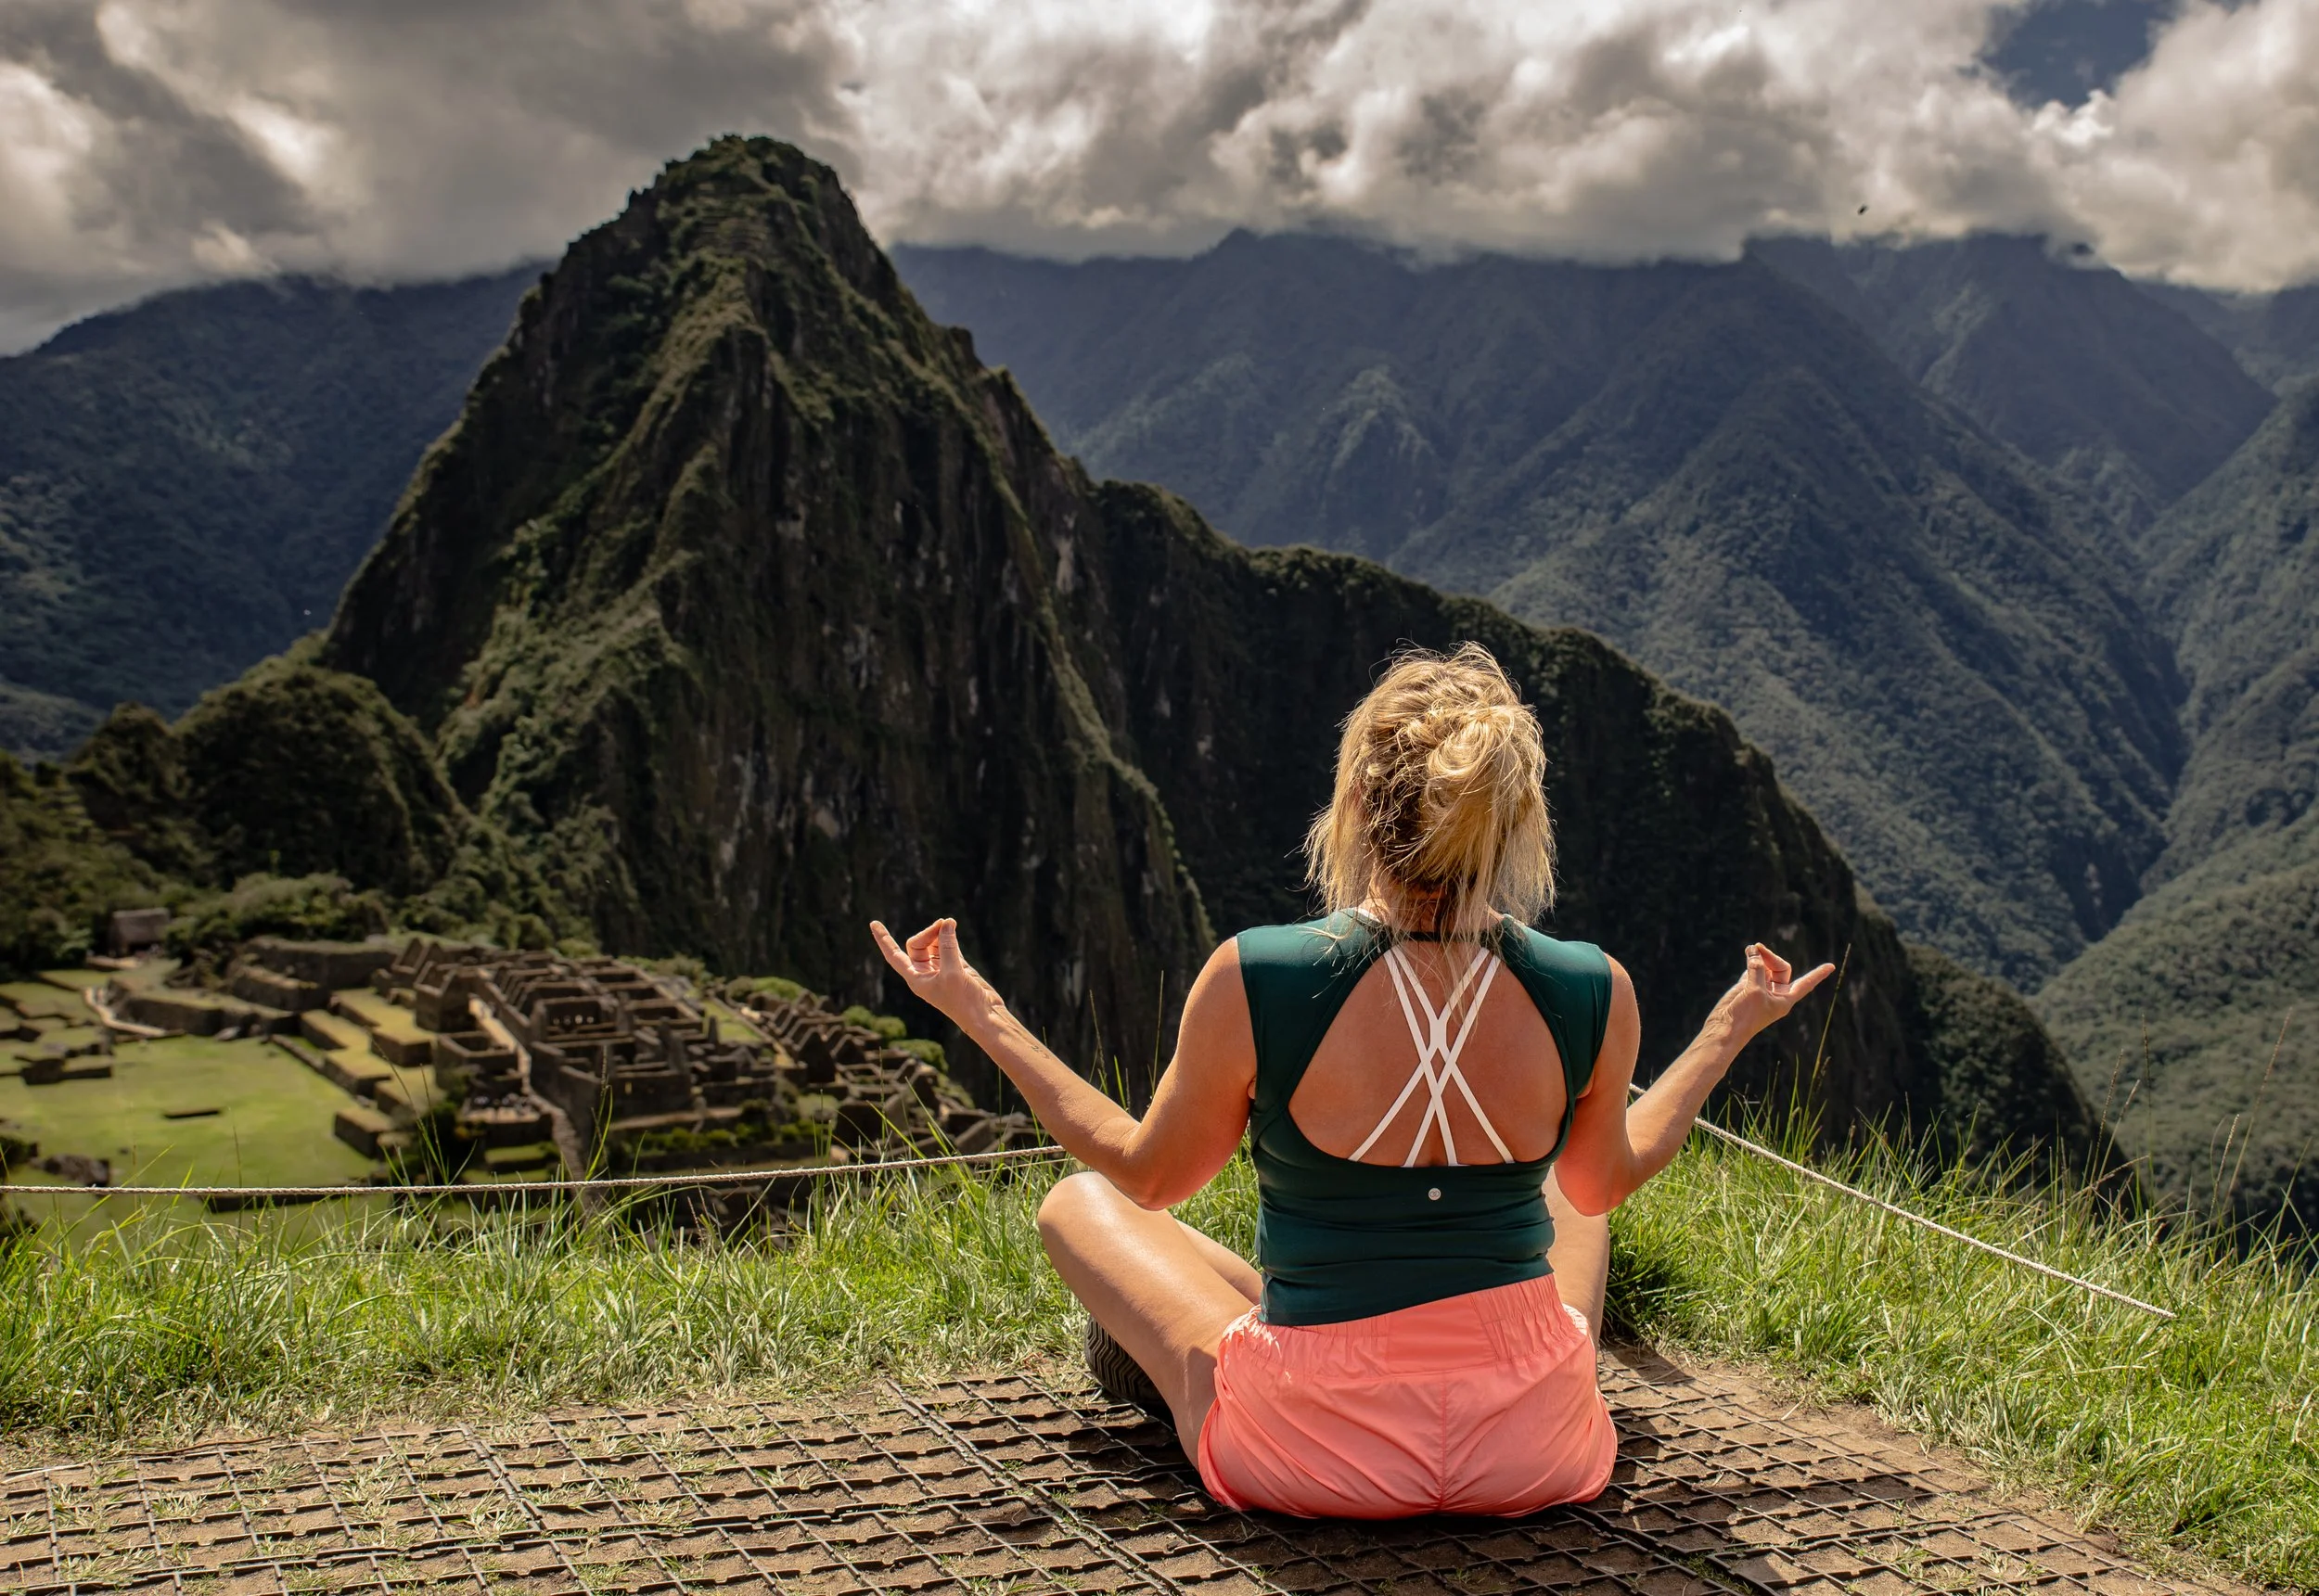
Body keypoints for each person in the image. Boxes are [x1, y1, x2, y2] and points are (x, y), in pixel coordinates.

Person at [872, 642, 1833, 1520]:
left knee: (1081, 1200)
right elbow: (1599, 1182)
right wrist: (1728, 1028)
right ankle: (1421, 1336)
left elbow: (1149, 1175)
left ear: (1360, 802)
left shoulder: (1259, 974)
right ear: (1511, 821)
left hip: (1313, 1453)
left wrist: (979, 1010)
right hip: (1531, 1447)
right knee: (1567, 1195)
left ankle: (1291, 1330)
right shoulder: (1592, 984)